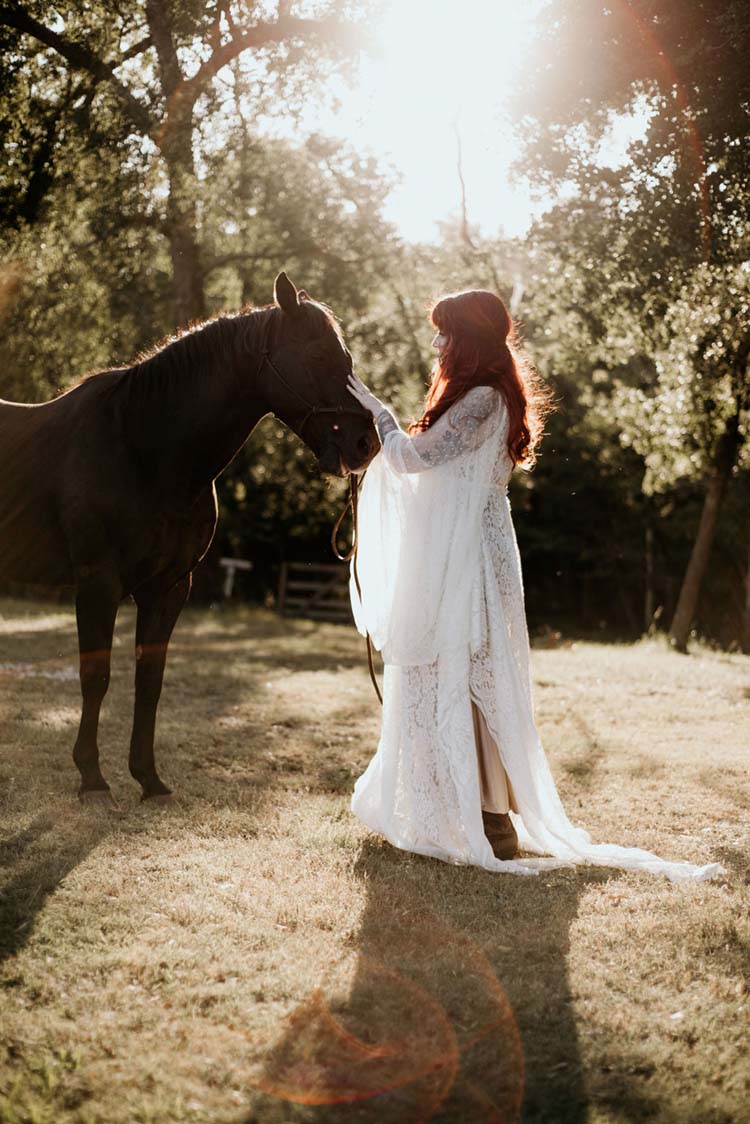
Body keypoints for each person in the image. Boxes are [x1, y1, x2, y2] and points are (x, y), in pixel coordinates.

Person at [346, 288, 723, 882]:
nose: (437, 342)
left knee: (469, 673)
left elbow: (414, 461)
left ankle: (490, 818)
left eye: (446, 333)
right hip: (467, 550)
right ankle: (466, 808)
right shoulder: (482, 396)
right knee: (456, 672)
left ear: (468, 338)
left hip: (466, 558)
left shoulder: (480, 400)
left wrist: (378, 413)